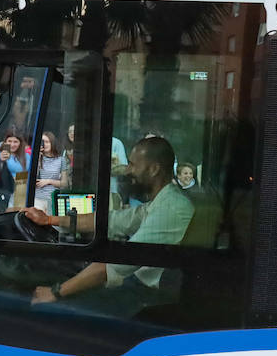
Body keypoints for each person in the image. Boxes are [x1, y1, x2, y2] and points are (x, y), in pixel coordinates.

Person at [23, 136, 194, 317]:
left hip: (146, 296)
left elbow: (119, 262)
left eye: (133, 165)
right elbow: (112, 221)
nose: (128, 171)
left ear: (153, 169)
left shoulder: (172, 208)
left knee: (53, 312)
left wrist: (56, 291)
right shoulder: (161, 202)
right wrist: (49, 220)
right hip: (137, 287)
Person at [32, 130, 70, 213]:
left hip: (52, 198)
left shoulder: (61, 160)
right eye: (42, 142)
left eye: (47, 142)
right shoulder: (36, 158)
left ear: (52, 143)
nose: (44, 144)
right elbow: (31, 178)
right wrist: (37, 159)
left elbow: (65, 184)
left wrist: (48, 181)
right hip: (37, 198)